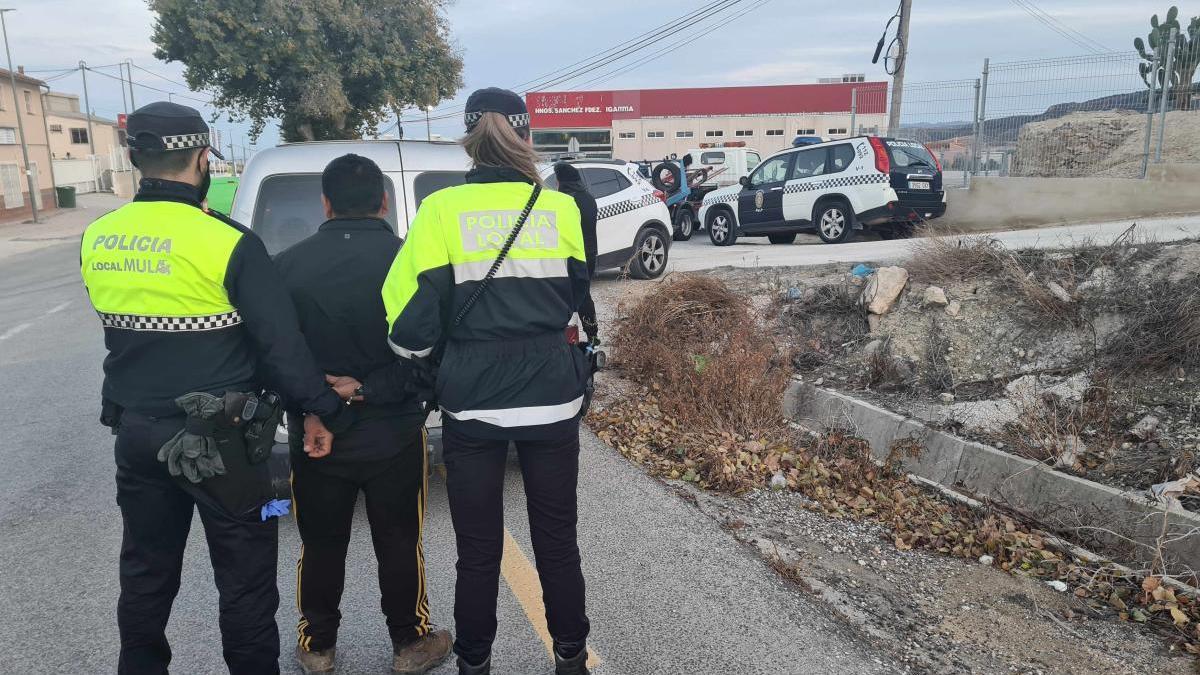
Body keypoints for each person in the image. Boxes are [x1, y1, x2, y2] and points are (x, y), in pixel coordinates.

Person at [79, 101, 351, 675]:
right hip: (223, 446)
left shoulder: (98, 237)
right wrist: (322, 408)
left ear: (135, 158)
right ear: (203, 158)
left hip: (136, 434)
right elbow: (281, 345)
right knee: (246, 583)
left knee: (146, 574)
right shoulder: (227, 242)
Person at [380, 87, 593, 675]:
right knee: (557, 542)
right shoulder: (560, 209)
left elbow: (408, 321)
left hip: (473, 403)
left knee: (478, 551)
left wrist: (427, 361)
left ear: (469, 140)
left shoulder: (441, 211)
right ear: (525, 137)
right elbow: (576, 294)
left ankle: (475, 663)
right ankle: (571, 658)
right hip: (553, 395)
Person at [274, 154, 452, 674]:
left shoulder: (286, 267)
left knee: (321, 542)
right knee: (399, 540)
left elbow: (280, 356)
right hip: (394, 432)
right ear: (385, 202)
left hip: (315, 434)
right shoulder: (410, 262)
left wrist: (314, 409)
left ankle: (317, 646)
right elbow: (431, 359)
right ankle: (411, 642)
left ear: (325, 204)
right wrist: (366, 390)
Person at [551, 162, 599, 341]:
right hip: (590, 254)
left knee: (563, 296)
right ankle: (592, 335)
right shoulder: (588, 197)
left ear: (561, 181)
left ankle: (563, 336)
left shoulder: (564, 202)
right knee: (585, 295)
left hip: (571, 257)